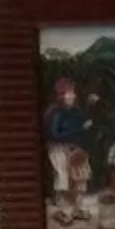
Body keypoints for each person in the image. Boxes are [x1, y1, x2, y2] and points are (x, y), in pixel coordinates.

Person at [42, 76, 94, 213]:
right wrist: (80, 129)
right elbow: (55, 134)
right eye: (69, 93)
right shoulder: (55, 113)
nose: (73, 96)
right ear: (61, 96)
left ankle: (78, 201)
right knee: (62, 171)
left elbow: (84, 127)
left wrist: (87, 119)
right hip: (58, 147)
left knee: (81, 168)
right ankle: (62, 200)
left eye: (73, 93)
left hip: (73, 147)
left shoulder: (76, 111)